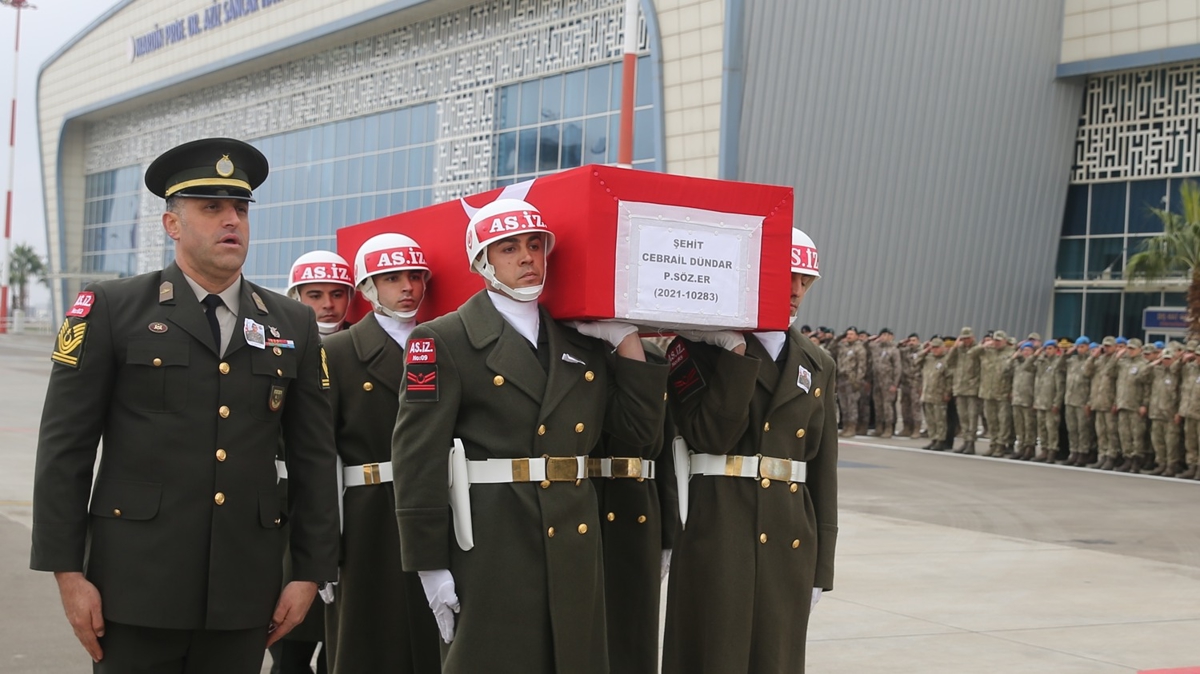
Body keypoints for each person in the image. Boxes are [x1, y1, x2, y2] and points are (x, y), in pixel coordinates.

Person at [29, 138, 339, 673]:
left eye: (240, 209)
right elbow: (65, 448)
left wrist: (310, 572)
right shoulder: (112, 309)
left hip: (245, 592)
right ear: (173, 225)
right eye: (211, 208)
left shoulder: (292, 324)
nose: (231, 221)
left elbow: (313, 456)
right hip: (133, 587)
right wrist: (67, 573)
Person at [392, 197, 668, 674]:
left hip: (575, 537)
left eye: (536, 245)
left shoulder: (581, 342)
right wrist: (428, 563)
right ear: (482, 261)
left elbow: (639, 434)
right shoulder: (440, 340)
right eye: (509, 248)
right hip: (494, 538)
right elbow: (418, 457)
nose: (527, 258)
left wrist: (626, 342)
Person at [662, 227, 837, 674]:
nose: (797, 289)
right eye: (788, 275)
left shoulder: (818, 363)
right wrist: (737, 352)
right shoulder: (696, 348)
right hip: (719, 530)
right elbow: (709, 437)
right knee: (713, 656)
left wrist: (822, 568)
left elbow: (822, 471)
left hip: (789, 536)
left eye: (806, 280)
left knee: (775, 661)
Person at [322, 234, 441, 673]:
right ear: (367, 288)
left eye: (415, 276)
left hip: (434, 504)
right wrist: (319, 550)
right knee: (371, 641)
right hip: (366, 517)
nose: (408, 287)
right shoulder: (337, 351)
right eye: (391, 278)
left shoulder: (443, 341)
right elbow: (319, 456)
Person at [271, 250, 354, 674]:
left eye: (338, 294)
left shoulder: (358, 349)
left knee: (339, 646)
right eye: (315, 294)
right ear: (295, 296)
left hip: (349, 509)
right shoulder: (272, 349)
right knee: (288, 646)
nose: (327, 305)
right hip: (286, 510)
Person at [287, 251, 354, 335]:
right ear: (295, 298)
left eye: (337, 295)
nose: (328, 304)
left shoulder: (365, 339)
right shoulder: (281, 337)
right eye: (315, 296)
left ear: (349, 297)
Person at [1113, 338, 1151, 473]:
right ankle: (1127, 459)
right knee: (1124, 434)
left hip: (1136, 405)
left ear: (1140, 350)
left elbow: (1147, 387)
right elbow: (1110, 374)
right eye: (1128, 348)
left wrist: (1144, 404)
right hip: (1123, 403)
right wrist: (1116, 357)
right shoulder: (1123, 363)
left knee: (1137, 435)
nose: (1130, 351)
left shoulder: (1144, 365)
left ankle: (1136, 461)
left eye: (1133, 349)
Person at [945, 327, 984, 453]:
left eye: (967, 338)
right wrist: (955, 347)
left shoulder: (978, 349)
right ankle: (965, 441)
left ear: (972, 338)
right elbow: (948, 362)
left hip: (972, 388)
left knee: (972, 417)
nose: (965, 341)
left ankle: (971, 443)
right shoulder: (959, 350)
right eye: (963, 338)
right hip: (960, 387)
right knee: (963, 417)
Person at [1084, 337, 1120, 469]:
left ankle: (1112, 456)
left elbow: (1111, 374)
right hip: (1098, 402)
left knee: (1111, 432)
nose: (1107, 348)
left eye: (1109, 346)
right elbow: (1087, 372)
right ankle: (1103, 455)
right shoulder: (1099, 361)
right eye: (1105, 346)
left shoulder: (1118, 361)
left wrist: (1115, 357)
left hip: (1109, 402)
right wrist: (1093, 357)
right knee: (1101, 432)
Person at [1062, 336, 1094, 466]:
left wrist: (1089, 402)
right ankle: (1073, 452)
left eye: (1082, 347)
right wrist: (1066, 354)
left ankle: (1083, 453)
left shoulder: (1091, 361)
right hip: (1070, 399)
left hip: (1082, 400)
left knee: (1083, 429)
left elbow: (1091, 380)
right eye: (1078, 347)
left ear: (1087, 347)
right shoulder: (1073, 360)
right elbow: (1059, 367)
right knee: (1072, 428)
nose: (1080, 349)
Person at [1032, 341, 1066, 462]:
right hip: (1041, 401)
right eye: (1046, 349)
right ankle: (1044, 450)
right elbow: (1037, 382)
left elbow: (1060, 386)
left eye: (1050, 348)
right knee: (1042, 428)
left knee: (1051, 428)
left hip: (1051, 402)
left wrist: (1057, 403)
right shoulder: (1042, 362)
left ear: (1056, 349)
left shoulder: (1058, 363)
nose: (1048, 351)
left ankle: (1052, 450)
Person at [917, 339, 952, 450]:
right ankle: (933, 439)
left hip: (939, 394)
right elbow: (915, 361)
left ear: (942, 347)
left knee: (940, 419)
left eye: (937, 347)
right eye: (933, 348)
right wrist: (925, 350)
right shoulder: (928, 359)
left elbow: (949, 378)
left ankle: (940, 440)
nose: (935, 350)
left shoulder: (946, 359)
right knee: (930, 419)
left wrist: (947, 392)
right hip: (927, 393)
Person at [868, 329, 901, 438]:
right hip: (877, 381)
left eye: (886, 335)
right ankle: (879, 427)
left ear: (892, 337)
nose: (884, 337)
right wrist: (873, 339)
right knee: (878, 405)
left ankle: (888, 428)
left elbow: (897, 368)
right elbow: (865, 344)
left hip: (888, 382)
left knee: (887, 406)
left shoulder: (894, 350)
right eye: (882, 335)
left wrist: (895, 384)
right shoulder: (876, 348)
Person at [1010, 342, 1039, 460]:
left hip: (1028, 398)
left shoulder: (1035, 363)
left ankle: (1029, 448)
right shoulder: (1017, 363)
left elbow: (1028, 366)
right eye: (1024, 350)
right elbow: (1005, 369)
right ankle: (1021, 447)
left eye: (1028, 350)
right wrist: (1013, 357)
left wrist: (1033, 357)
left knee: (1029, 425)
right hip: (1017, 399)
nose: (1026, 352)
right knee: (1019, 425)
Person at [836, 327, 866, 437]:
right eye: (847, 334)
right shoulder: (843, 347)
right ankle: (845, 426)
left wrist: (858, 380)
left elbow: (861, 366)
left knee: (852, 404)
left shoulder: (859, 348)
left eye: (851, 334)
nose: (849, 336)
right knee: (843, 404)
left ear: (856, 336)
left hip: (852, 379)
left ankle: (852, 427)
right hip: (841, 378)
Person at [898, 333, 924, 439]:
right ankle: (906, 427)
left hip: (916, 383)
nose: (911, 343)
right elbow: (895, 350)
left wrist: (921, 385)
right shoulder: (905, 351)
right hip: (905, 383)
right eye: (910, 341)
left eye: (914, 340)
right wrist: (900, 343)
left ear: (918, 341)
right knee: (905, 407)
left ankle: (916, 429)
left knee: (915, 407)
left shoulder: (922, 352)